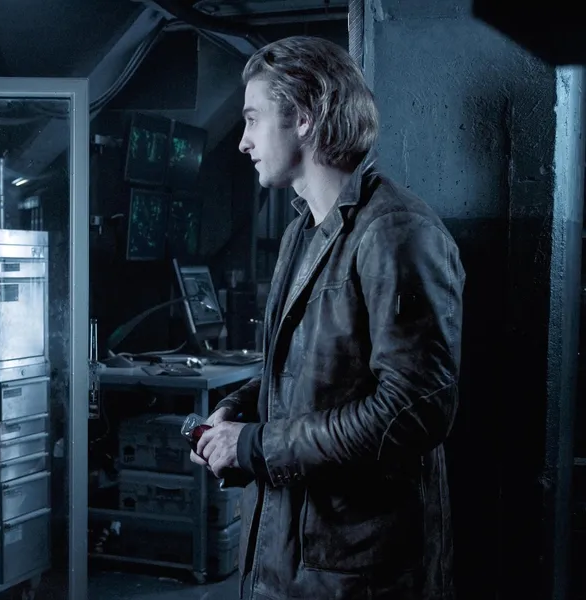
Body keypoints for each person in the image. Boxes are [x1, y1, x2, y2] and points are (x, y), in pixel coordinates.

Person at [190, 36, 464, 600]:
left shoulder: (396, 233)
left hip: (357, 575)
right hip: (287, 561)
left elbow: (415, 410)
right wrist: (237, 411)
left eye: (253, 119)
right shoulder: (302, 231)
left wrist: (256, 445)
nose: (242, 141)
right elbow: (304, 372)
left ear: (304, 118)